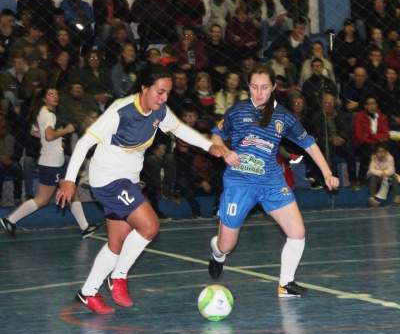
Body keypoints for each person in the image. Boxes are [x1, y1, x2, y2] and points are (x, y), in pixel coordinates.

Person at [55, 66, 224, 314]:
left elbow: (179, 129)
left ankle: (88, 292)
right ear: (144, 88)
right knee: (150, 226)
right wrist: (69, 179)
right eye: (159, 92)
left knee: (116, 242)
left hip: (128, 179)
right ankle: (119, 277)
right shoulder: (120, 111)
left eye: (167, 93)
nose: (164, 98)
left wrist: (209, 146)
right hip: (109, 178)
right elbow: (84, 143)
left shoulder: (160, 111)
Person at [207, 66, 339, 297]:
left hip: (271, 181)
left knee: (297, 232)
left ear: (274, 88)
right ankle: (217, 252)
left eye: (265, 87)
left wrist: (327, 173)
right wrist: (225, 151)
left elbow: (307, 143)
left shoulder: (284, 117)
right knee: (227, 245)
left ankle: (285, 284)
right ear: (248, 87)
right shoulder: (237, 111)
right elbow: (216, 135)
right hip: (240, 182)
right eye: (254, 87)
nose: (259, 93)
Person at [0, 88, 97, 238]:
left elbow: (38, 133)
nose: (55, 96)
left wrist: (55, 139)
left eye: (56, 94)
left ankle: (85, 227)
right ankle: (9, 220)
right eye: (51, 94)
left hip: (55, 161)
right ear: (44, 99)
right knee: (43, 199)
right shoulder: (48, 114)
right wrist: (66, 131)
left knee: (71, 192)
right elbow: (50, 135)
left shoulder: (44, 113)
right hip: (52, 163)